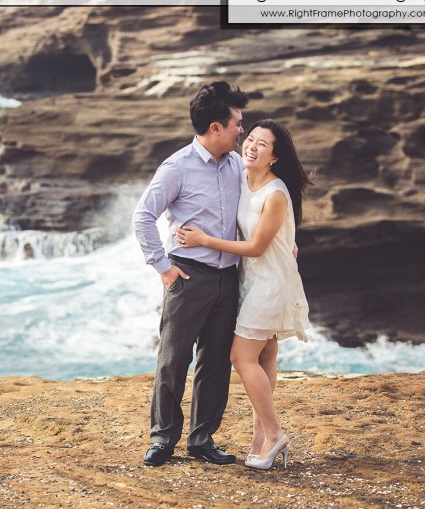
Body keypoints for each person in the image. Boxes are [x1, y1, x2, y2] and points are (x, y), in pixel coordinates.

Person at [175, 119, 312, 470]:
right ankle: (261, 441)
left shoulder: (276, 193)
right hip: (252, 281)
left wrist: (203, 240)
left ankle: (275, 432)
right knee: (265, 357)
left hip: (269, 285)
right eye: (249, 138)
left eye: (262, 144)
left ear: (275, 157)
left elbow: (254, 246)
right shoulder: (244, 177)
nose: (251, 145)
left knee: (241, 357)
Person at [132, 81, 248, 467]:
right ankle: (163, 439)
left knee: (216, 361)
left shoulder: (237, 165)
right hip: (189, 276)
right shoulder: (177, 167)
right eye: (236, 123)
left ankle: (202, 440)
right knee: (173, 359)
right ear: (215, 127)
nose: (241, 130)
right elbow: (143, 217)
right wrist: (164, 268)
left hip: (228, 277)